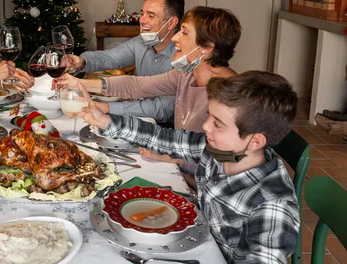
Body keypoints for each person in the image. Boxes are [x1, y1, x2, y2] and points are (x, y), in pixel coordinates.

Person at [77, 71, 300, 263]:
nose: (205, 126)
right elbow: (161, 137)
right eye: (208, 116)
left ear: (255, 141)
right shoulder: (221, 150)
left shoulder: (273, 205)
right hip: (198, 240)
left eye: (218, 124)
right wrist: (106, 121)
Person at [66, 0, 185, 123]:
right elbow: (109, 58)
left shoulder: (183, 57)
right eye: (142, 13)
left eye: (151, 16)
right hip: (136, 120)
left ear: (171, 23)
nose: (142, 20)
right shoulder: (140, 42)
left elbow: (161, 109)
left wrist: (105, 107)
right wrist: (81, 61)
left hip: (167, 130)